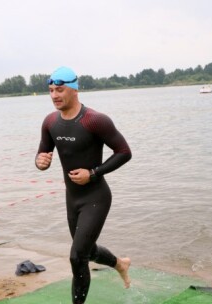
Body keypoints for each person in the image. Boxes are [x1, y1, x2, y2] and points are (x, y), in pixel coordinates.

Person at [35, 66, 132, 304]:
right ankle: (120, 263)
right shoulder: (50, 122)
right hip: (72, 198)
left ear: (75, 90)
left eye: (60, 89)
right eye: (51, 91)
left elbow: (124, 152)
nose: (55, 95)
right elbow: (42, 155)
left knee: (77, 257)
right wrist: (40, 162)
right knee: (86, 252)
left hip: (95, 197)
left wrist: (93, 173)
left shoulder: (95, 120)